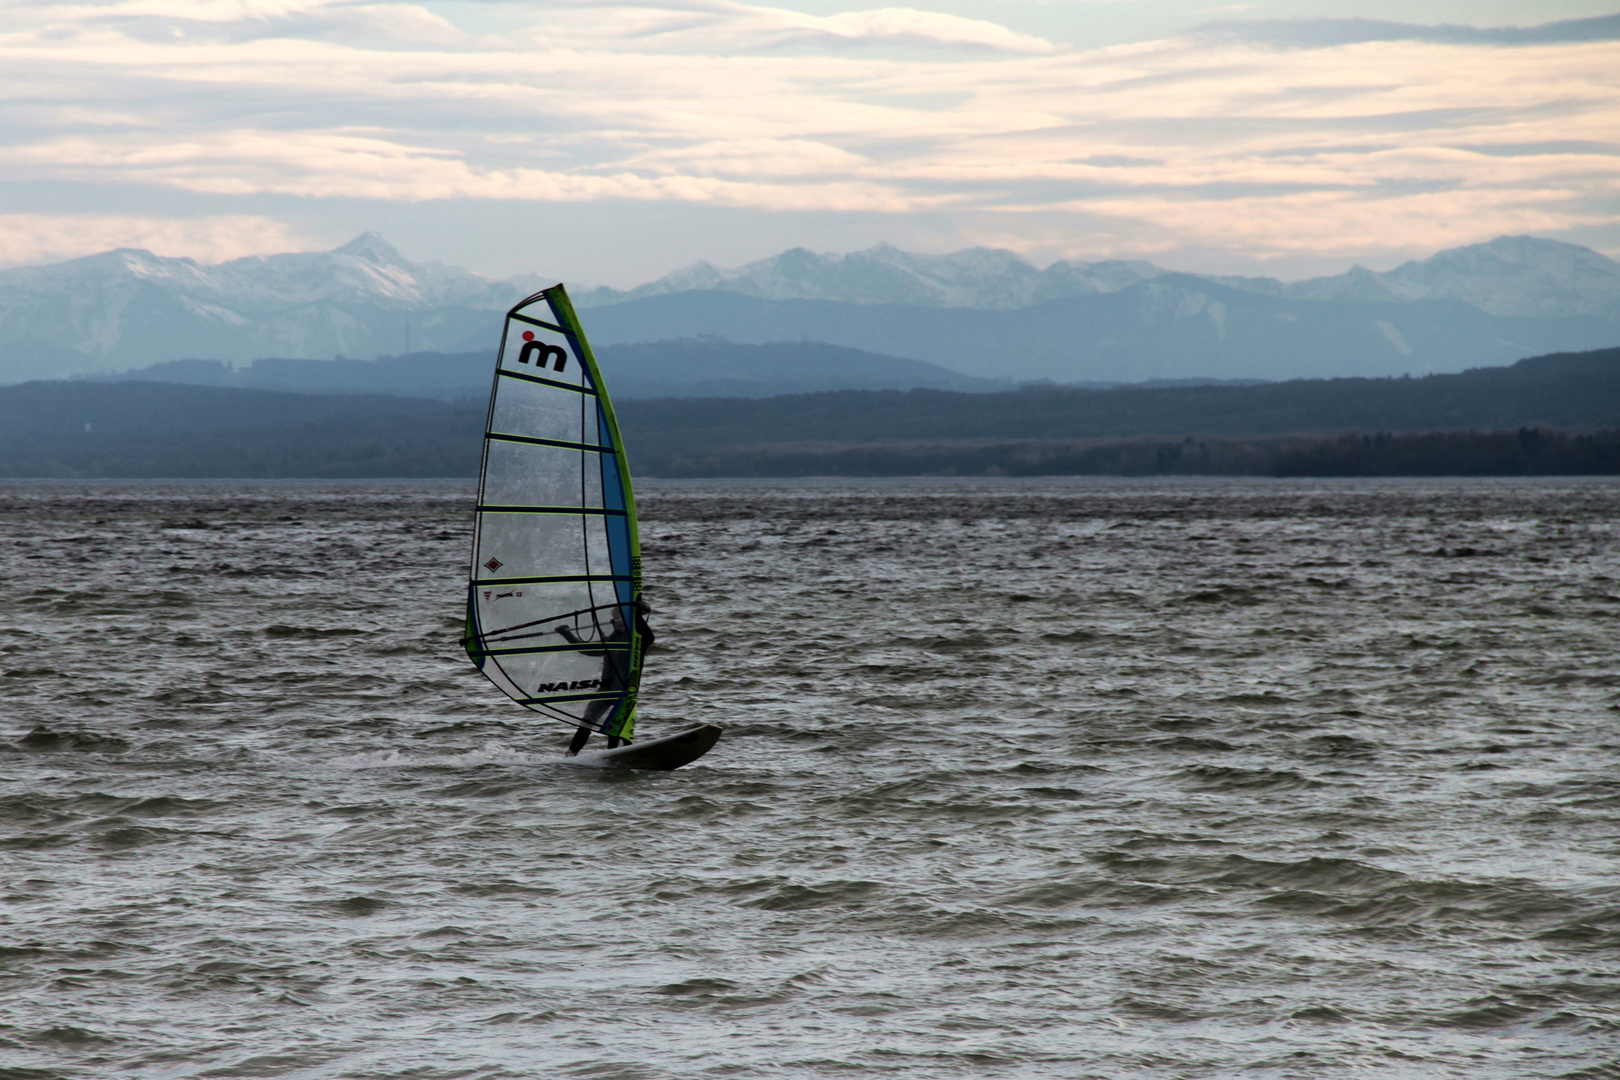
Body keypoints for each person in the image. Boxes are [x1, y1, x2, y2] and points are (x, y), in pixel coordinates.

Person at [556, 599, 653, 756]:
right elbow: (585, 649)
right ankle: (571, 754)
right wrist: (566, 634)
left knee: (617, 728)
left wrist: (638, 612)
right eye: (616, 617)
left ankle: (620, 756)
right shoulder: (610, 640)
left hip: (625, 691)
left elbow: (650, 638)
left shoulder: (637, 639)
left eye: (622, 616)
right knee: (587, 721)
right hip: (605, 690)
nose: (618, 620)